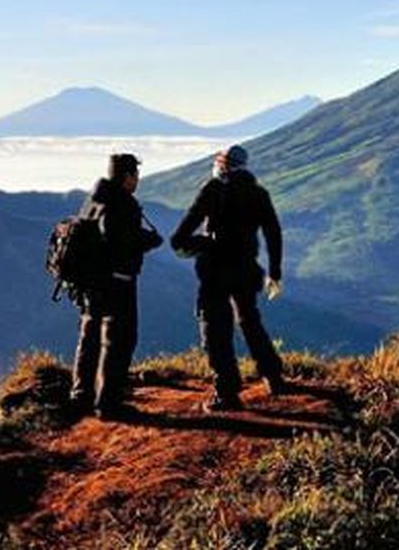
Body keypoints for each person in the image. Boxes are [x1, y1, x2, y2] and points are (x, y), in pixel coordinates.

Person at [171, 144, 287, 412]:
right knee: (249, 321)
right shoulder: (258, 194)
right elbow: (273, 233)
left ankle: (227, 392)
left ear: (222, 164)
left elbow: (180, 237)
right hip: (246, 269)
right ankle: (273, 376)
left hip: (214, 272)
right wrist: (275, 272)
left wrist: (201, 244)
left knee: (215, 328)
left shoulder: (212, 190)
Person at [70, 153, 164, 420]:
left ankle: (81, 395)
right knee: (119, 340)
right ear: (127, 177)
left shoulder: (94, 200)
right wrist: (149, 241)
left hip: (89, 282)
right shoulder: (122, 203)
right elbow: (119, 241)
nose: (137, 181)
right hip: (117, 282)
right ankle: (108, 403)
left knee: (89, 338)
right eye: (135, 176)